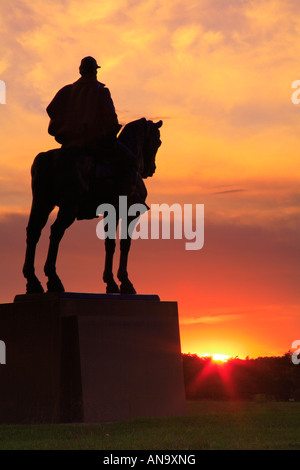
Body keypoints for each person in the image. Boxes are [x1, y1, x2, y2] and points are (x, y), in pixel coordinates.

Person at [46, 56, 122, 151]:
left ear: (81, 70)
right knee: (130, 160)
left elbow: (51, 109)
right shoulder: (101, 91)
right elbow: (111, 118)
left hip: (68, 143)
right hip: (94, 143)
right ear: (94, 71)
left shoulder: (67, 90)